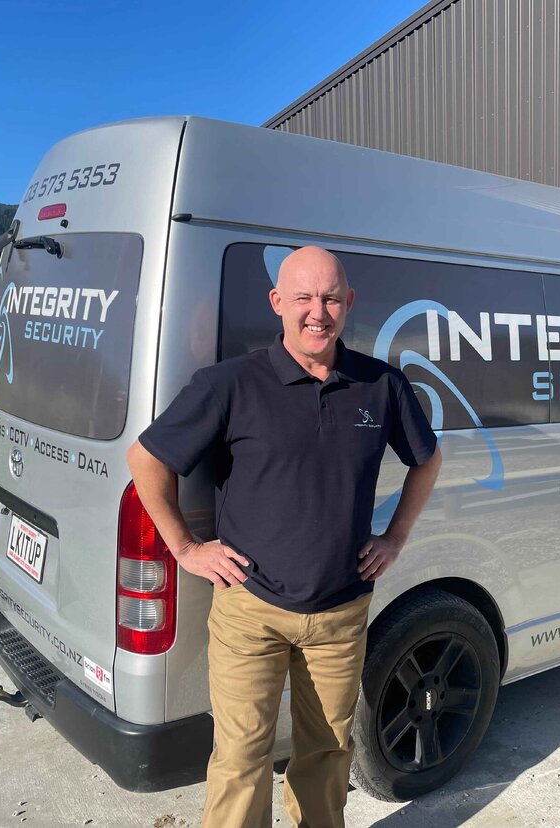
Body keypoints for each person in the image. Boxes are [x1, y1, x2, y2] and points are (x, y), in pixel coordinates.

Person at [126, 246, 441, 827]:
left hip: (340, 614)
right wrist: (185, 548)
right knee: (241, 758)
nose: (317, 312)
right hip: (251, 611)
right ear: (277, 302)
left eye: (330, 298)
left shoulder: (381, 385)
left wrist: (394, 538)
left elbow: (427, 460)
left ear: (349, 303)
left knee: (328, 752)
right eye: (303, 298)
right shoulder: (229, 384)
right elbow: (146, 459)